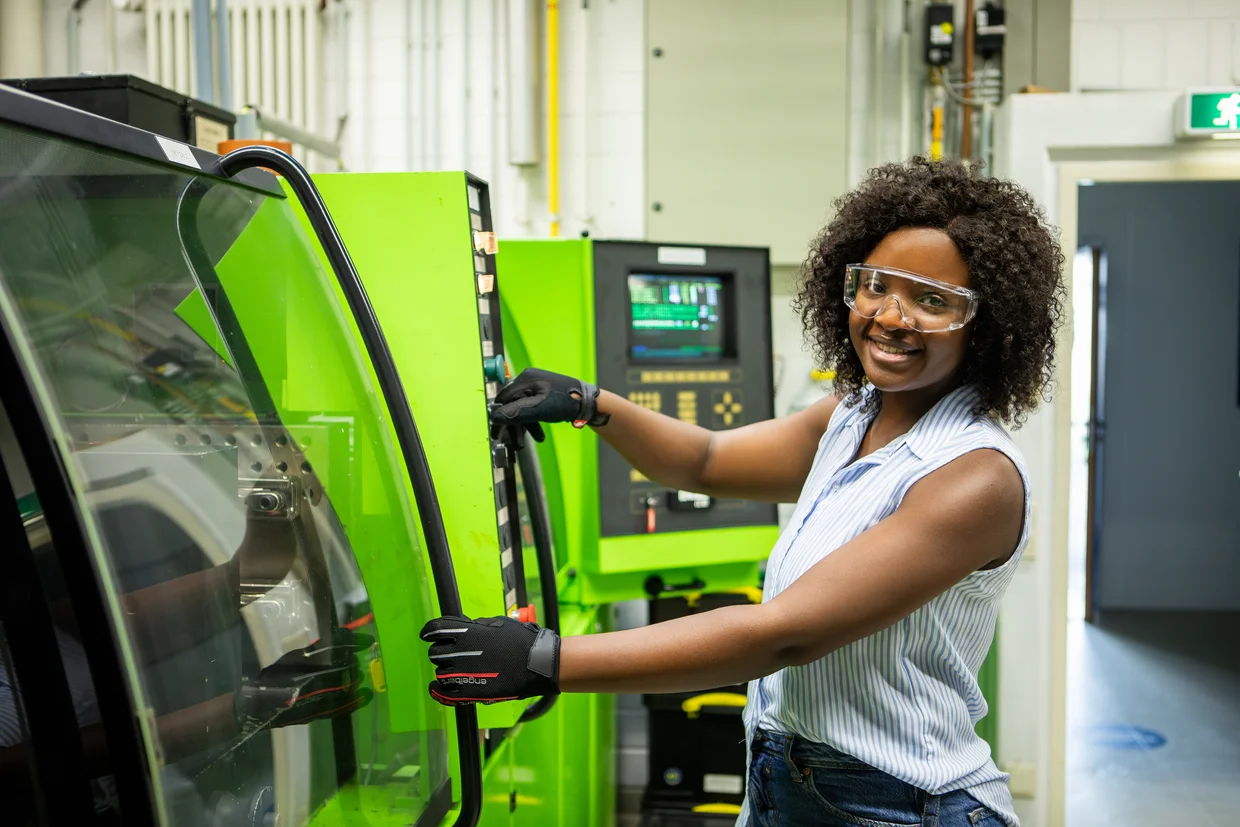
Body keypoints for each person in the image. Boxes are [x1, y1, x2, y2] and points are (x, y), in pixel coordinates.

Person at [421, 158, 1064, 827]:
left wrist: (543, 659)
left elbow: (781, 634)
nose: (889, 317)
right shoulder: (853, 413)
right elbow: (707, 459)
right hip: (787, 771)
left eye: (932, 300)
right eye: (875, 286)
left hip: (899, 803)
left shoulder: (975, 477)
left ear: (985, 326)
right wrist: (591, 402)